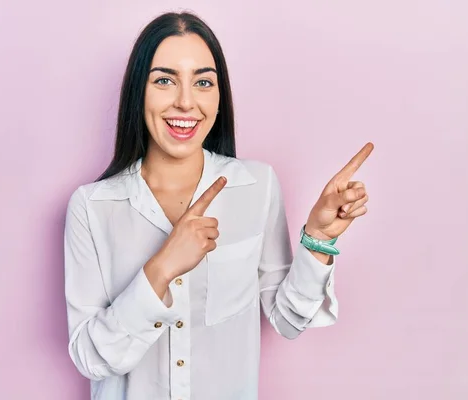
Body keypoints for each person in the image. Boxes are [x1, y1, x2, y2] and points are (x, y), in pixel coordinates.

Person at [63, 11, 373, 400]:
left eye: (203, 82)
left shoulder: (256, 186)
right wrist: (161, 268)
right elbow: (90, 357)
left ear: (219, 95)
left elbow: (289, 320)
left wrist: (319, 238)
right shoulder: (91, 207)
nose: (186, 102)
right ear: (138, 92)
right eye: (164, 80)